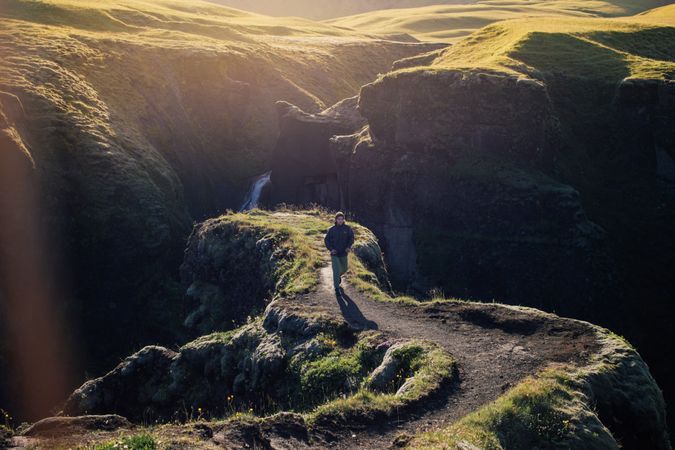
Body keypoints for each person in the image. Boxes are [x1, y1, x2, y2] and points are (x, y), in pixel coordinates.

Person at [324, 211, 354, 296]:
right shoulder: (331, 230)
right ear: (336, 220)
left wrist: (348, 247)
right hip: (334, 253)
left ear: (344, 220)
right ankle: (337, 289)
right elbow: (326, 240)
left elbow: (351, 238)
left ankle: (338, 277)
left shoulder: (348, 229)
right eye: (338, 219)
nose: (340, 220)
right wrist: (331, 249)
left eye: (342, 219)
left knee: (344, 269)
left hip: (344, 253)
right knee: (336, 270)